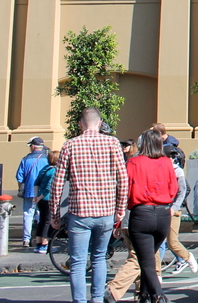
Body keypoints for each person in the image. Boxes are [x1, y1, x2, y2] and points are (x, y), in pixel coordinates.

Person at [50, 108, 128, 303]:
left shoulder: (69, 145)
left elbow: (57, 183)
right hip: (105, 212)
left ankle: (79, 301)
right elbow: (123, 179)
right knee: (99, 257)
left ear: (80, 124)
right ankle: (97, 299)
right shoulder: (112, 143)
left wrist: (55, 214)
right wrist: (120, 210)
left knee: (77, 262)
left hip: (80, 212)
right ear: (100, 123)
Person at [123, 130, 178, 303]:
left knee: (146, 262)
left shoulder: (133, 163)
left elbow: (126, 189)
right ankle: (145, 295)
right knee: (149, 257)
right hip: (162, 214)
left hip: (141, 213)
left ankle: (159, 296)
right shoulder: (166, 162)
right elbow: (173, 189)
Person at [163, 145, 198, 276]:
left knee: (172, 241)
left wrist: (174, 208)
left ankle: (187, 257)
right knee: (158, 243)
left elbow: (182, 191)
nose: (172, 159)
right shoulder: (159, 169)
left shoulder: (177, 171)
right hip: (160, 210)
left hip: (173, 211)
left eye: (173, 156)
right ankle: (156, 274)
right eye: (169, 156)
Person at [16, 136, 50, 248]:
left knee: (28, 214)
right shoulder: (47, 159)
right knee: (41, 215)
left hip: (29, 191)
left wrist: (20, 189)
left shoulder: (25, 159)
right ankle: (39, 238)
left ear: (32, 146)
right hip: (42, 193)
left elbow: (20, 177)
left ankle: (26, 239)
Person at [31, 150, 58, 253]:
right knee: (48, 221)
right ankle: (44, 244)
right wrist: (41, 196)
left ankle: (38, 244)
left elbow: (36, 182)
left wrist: (36, 196)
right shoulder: (54, 170)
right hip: (48, 198)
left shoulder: (45, 169)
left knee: (42, 221)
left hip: (40, 199)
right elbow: (49, 187)